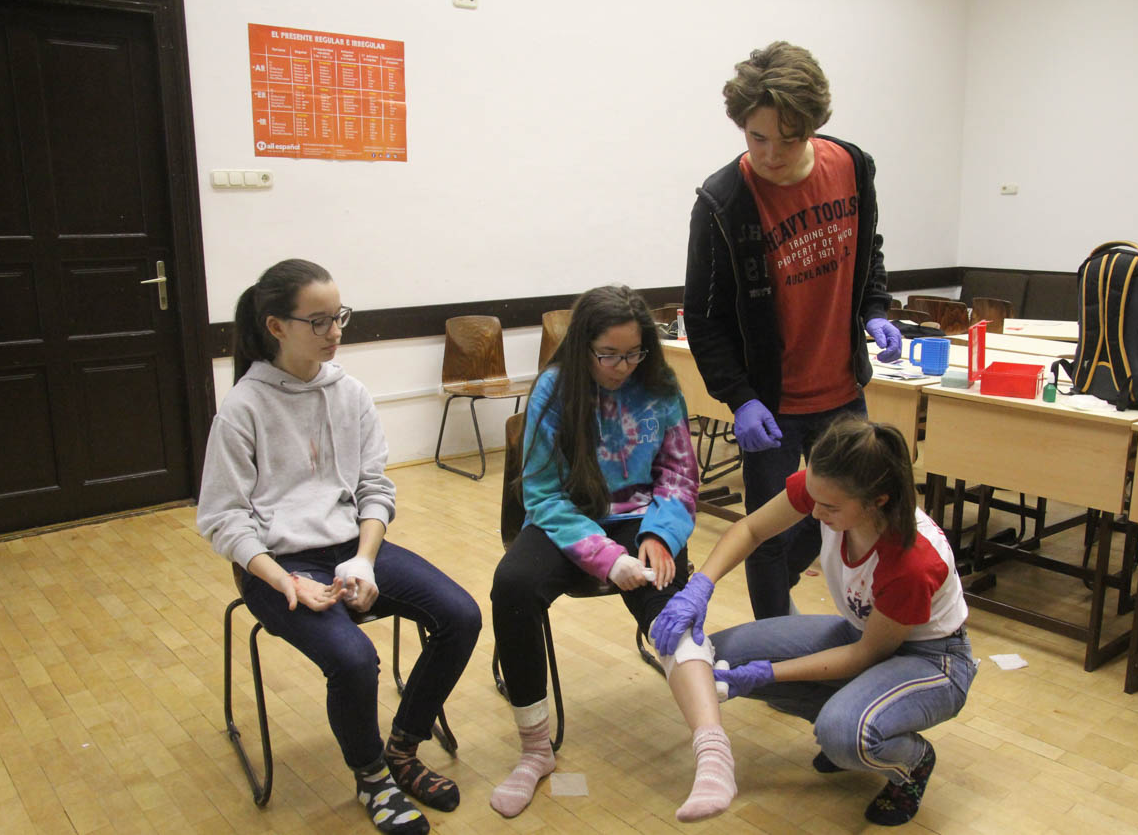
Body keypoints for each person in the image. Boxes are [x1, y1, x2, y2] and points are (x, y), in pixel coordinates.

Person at [198, 259, 481, 835]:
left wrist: (364, 559)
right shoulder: (242, 409)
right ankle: (371, 777)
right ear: (276, 326)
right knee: (354, 659)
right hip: (278, 566)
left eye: (339, 317)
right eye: (319, 321)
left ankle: (403, 747)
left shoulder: (349, 392)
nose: (335, 332)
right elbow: (223, 519)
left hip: (351, 548)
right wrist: (285, 581)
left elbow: (375, 486)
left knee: (461, 615)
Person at [652, 416, 974, 827]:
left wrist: (769, 673)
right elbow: (751, 530)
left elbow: (866, 655)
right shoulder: (829, 488)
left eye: (830, 507)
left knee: (843, 733)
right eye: (815, 498)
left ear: (877, 501)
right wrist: (701, 585)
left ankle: (911, 761)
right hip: (862, 633)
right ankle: (847, 720)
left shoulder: (910, 562)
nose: (815, 511)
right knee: (724, 655)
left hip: (932, 659)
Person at [488, 285, 735, 822]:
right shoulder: (554, 389)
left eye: (633, 353)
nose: (622, 367)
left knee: (670, 605)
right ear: (583, 347)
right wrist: (606, 558)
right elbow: (542, 495)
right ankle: (535, 751)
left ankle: (714, 754)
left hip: (642, 518)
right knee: (513, 586)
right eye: (609, 355)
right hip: (568, 519)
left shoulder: (660, 386)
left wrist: (660, 535)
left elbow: (679, 475)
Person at [683, 41, 904, 620]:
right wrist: (740, 397)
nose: (770, 154)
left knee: (849, 510)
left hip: (842, 391)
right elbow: (703, 316)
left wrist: (875, 309)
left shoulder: (852, 166)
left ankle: (784, 603)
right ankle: (774, 638)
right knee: (767, 530)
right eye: (757, 137)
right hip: (771, 406)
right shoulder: (723, 201)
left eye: (788, 138)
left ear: (813, 126)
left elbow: (869, 250)